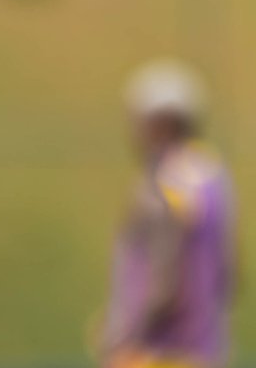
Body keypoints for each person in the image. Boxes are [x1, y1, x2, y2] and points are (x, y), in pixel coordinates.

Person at [98, 58, 237, 368]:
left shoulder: (164, 183)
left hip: (155, 355)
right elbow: (230, 272)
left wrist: (124, 336)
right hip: (205, 352)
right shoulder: (216, 177)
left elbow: (165, 284)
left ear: (160, 123)